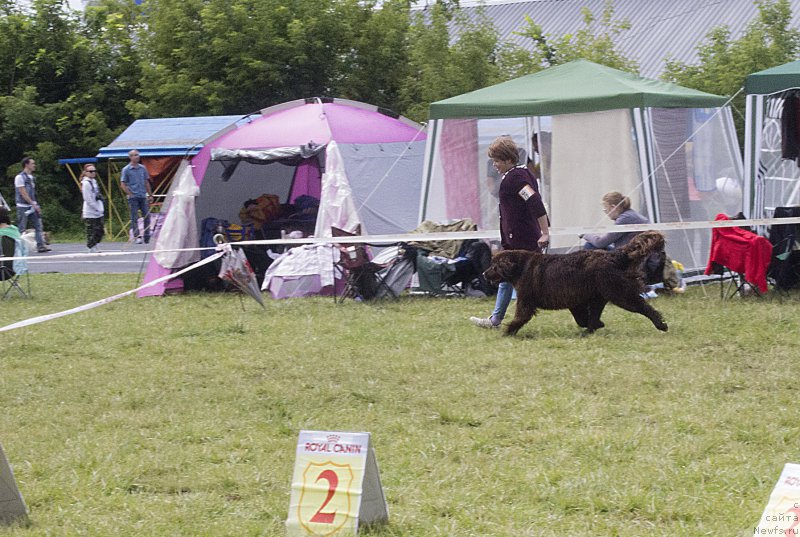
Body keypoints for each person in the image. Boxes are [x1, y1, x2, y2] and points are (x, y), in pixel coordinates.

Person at [470, 136, 550, 329]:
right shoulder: (521, 174)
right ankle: (496, 319)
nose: (495, 165)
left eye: (497, 161)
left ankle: (501, 319)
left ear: (508, 159)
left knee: (519, 278)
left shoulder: (516, 178)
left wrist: (545, 232)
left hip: (521, 239)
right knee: (507, 278)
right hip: (516, 238)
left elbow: (535, 202)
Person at [581, 191, 649, 250]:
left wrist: (585, 234)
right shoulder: (630, 214)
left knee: (590, 246)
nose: (606, 212)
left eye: (605, 209)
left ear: (613, 207)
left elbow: (600, 242)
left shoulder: (625, 218)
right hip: (635, 253)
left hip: (632, 258)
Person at [14, 156, 50, 253]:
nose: (34, 165)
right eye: (32, 163)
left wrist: (36, 204)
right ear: (27, 164)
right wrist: (33, 203)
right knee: (22, 227)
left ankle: (40, 245)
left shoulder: (31, 178)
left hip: (32, 205)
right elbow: (23, 192)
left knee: (38, 225)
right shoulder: (20, 177)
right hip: (23, 206)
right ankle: (19, 246)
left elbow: (33, 193)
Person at [120, 149, 153, 244]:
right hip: (133, 196)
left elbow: (146, 181)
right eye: (134, 155)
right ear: (130, 157)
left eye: (137, 155)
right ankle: (137, 235)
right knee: (134, 217)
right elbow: (123, 183)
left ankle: (147, 235)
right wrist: (130, 194)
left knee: (147, 216)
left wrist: (150, 194)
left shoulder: (142, 168)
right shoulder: (126, 169)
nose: (137, 157)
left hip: (142, 195)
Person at [81, 163, 105, 253]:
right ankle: (91, 246)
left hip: (98, 209)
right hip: (90, 211)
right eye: (90, 171)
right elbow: (87, 199)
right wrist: (96, 207)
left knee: (100, 230)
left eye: (94, 171)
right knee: (92, 230)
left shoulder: (94, 182)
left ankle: (94, 244)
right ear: (86, 172)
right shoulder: (86, 184)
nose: (93, 173)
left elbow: (96, 194)